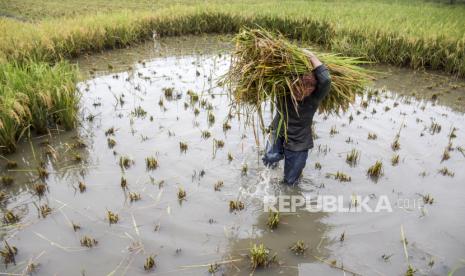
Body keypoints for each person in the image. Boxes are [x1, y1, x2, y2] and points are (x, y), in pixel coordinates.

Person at [262, 50, 331, 185]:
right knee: (269, 160)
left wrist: (311, 56)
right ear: (291, 84)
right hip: (278, 131)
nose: (301, 92)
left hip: (299, 141)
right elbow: (269, 68)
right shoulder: (283, 89)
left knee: (290, 182)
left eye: (306, 89)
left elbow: (326, 79)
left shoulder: (314, 97)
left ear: (312, 89)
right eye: (297, 88)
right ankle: (273, 167)